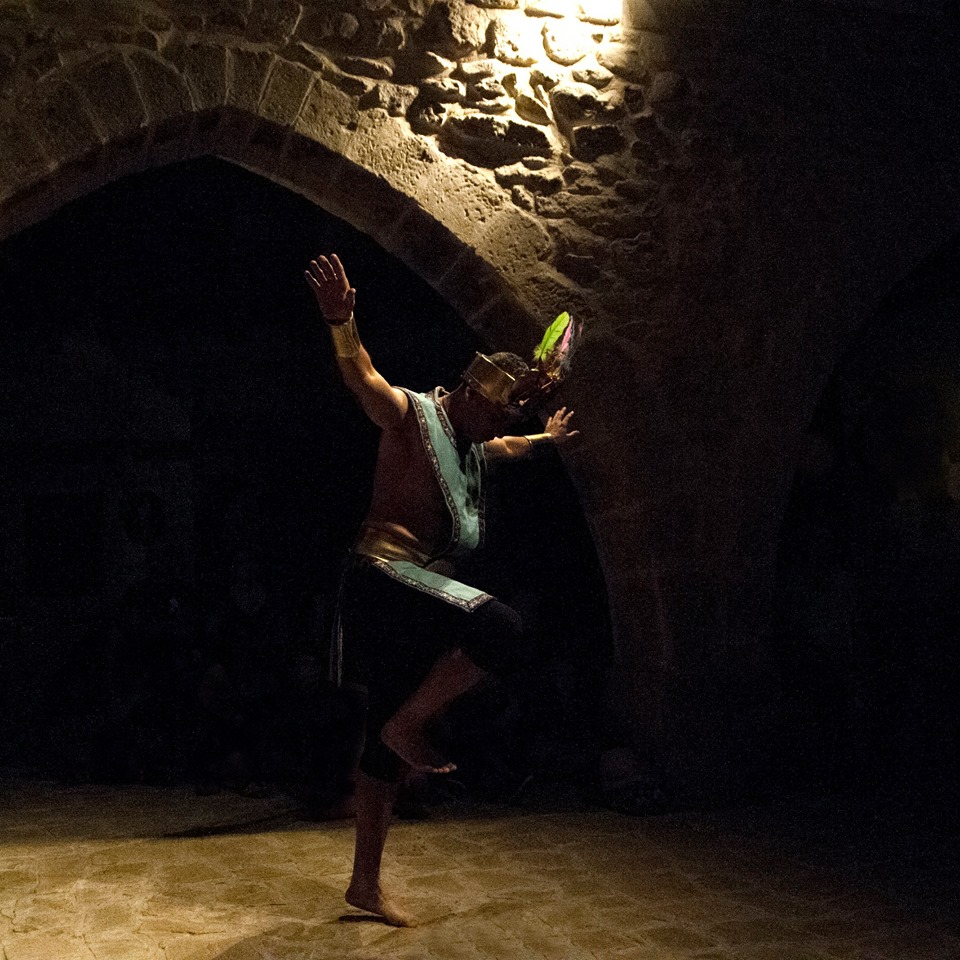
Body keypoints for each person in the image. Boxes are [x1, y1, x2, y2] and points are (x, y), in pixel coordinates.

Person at [305, 253, 580, 926]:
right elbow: (360, 374)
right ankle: (410, 722)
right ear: (473, 395)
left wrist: (543, 439)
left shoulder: (471, 446)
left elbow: (507, 452)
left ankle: (364, 884)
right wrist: (342, 319)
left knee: (381, 750)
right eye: (497, 415)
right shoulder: (408, 416)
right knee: (502, 628)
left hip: (414, 591)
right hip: (380, 577)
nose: (498, 429)